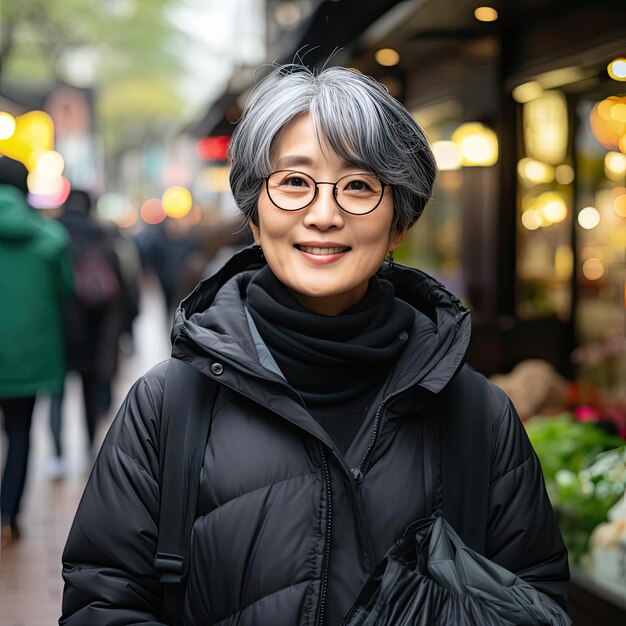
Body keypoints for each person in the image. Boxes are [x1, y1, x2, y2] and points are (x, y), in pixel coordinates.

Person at [60, 65, 569, 624]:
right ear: (254, 214)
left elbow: (533, 599)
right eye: (294, 183)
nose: (324, 215)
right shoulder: (169, 405)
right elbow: (100, 602)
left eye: (358, 186)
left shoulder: (477, 414)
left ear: (399, 222)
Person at [0, 156, 73, 546]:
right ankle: (7, 515)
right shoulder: (50, 238)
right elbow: (65, 291)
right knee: (20, 433)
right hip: (29, 357)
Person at [48, 188, 125, 474]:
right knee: (90, 391)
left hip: (58, 328)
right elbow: (121, 290)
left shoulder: (51, 234)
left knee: (56, 393)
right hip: (95, 331)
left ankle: (57, 454)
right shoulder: (104, 236)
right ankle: (90, 445)